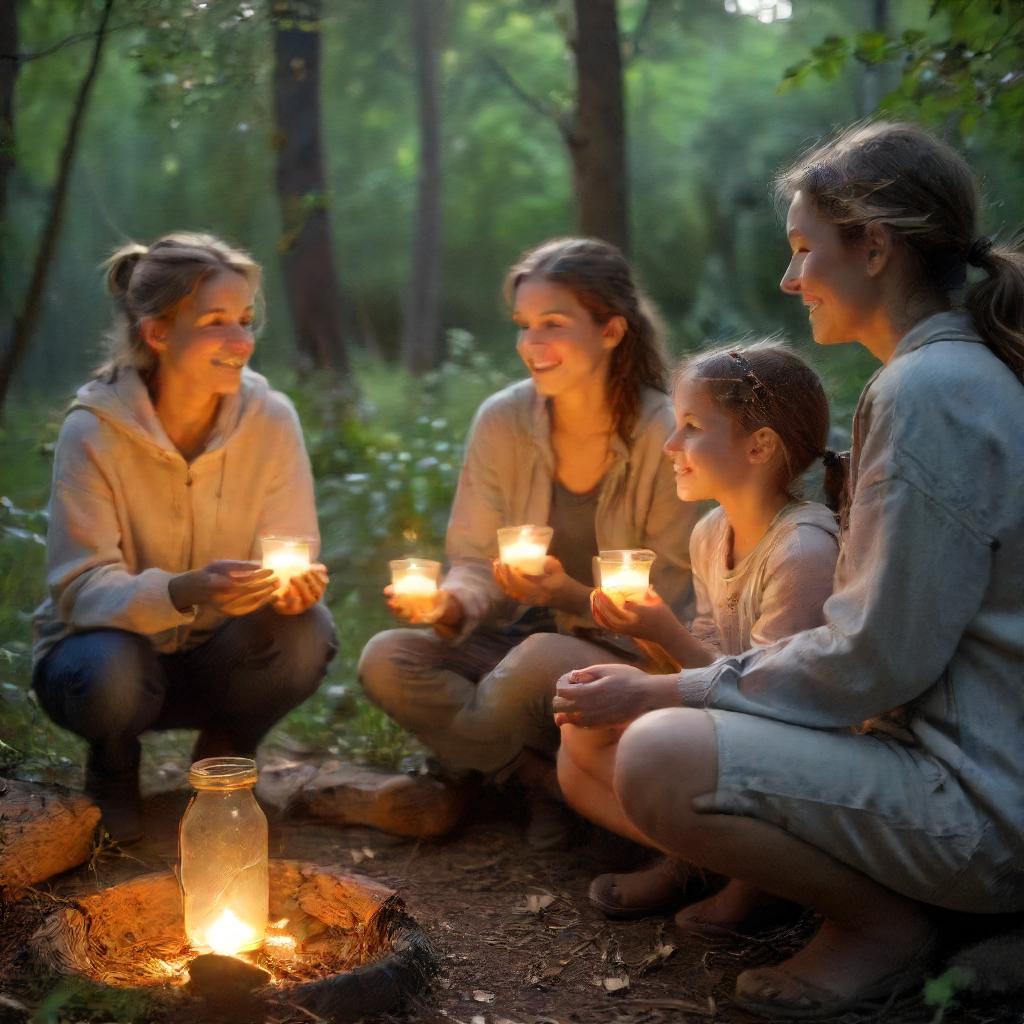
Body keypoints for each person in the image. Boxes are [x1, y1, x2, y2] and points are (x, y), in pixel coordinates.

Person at [551, 121, 1024, 1017]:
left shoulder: (929, 392)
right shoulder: (952, 377)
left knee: (657, 755)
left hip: (983, 805)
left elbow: (873, 660)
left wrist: (666, 693)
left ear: (873, 246)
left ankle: (883, 927)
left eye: (805, 250)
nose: (789, 278)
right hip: (964, 766)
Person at [358, 237, 701, 846]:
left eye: (553, 324)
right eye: (522, 326)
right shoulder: (502, 420)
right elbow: (472, 560)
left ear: (612, 331)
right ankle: (538, 781)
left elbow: (675, 606)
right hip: (516, 642)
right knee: (387, 657)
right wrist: (450, 604)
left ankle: (500, 768)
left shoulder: (663, 434)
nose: (530, 345)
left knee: (534, 662)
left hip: (627, 656)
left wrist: (569, 593)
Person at [32, 233, 337, 843]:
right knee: (112, 676)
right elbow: (79, 586)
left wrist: (292, 589)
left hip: (215, 657)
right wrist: (184, 590)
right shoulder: (95, 428)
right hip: (102, 660)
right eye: (217, 321)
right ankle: (114, 765)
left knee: (309, 633)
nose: (241, 341)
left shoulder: (270, 420)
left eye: (246, 320)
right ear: (158, 333)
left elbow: (294, 545)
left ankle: (225, 754)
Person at [557, 341, 840, 932]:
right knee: (578, 744)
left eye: (690, 427)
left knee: (639, 738)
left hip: (790, 743)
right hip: (729, 716)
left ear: (759, 446)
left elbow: (776, 696)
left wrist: (663, 632)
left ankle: (763, 876)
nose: (669, 446)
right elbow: (710, 651)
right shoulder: (712, 531)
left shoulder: (803, 549)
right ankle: (699, 859)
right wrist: (647, 640)